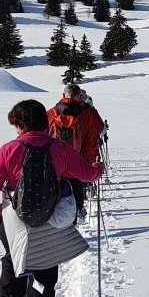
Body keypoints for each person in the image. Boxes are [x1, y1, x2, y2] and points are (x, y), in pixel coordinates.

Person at [0, 99, 103, 297]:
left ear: (21, 124)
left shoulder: (8, 150)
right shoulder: (59, 148)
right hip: (49, 221)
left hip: (13, 221)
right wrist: (98, 169)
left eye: (16, 125)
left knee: (13, 260)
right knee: (43, 272)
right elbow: (86, 174)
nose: (16, 130)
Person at [47, 84, 105, 219]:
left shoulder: (51, 113)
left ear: (63, 96)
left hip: (54, 169)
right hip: (77, 168)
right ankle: (76, 217)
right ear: (80, 97)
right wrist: (89, 167)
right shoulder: (86, 114)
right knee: (76, 203)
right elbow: (91, 144)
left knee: (54, 206)